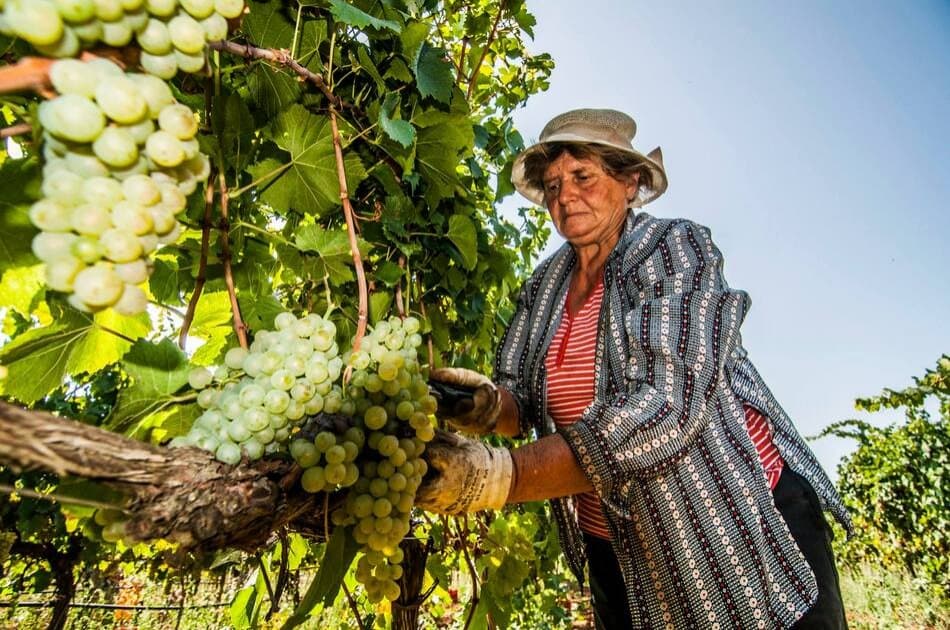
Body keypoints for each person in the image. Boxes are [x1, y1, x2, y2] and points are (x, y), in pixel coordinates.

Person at [416, 108, 851, 629]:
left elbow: (663, 409)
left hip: (730, 524)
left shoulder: (672, 251)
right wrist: (484, 407)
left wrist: (499, 477)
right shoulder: (545, 284)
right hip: (619, 545)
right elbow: (523, 405)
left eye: (582, 177)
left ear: (630, 181)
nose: (563, 196)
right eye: (553, 184)